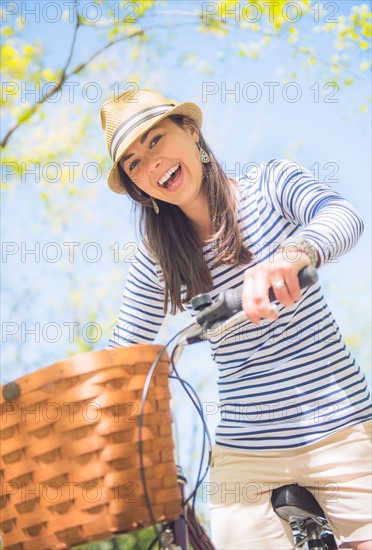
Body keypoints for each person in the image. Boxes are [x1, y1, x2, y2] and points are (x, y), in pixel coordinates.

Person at [100, 88, 371, 549]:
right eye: (132, 162)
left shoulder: (270, 183)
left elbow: (341, 215)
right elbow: (126, 349)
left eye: (154, 139)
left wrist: (292, 254)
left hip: (340, 427)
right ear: (136, 187)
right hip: (245, 454)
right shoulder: (159, 256)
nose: (150, 162)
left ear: (191, 132)